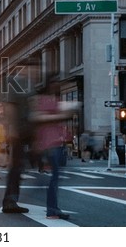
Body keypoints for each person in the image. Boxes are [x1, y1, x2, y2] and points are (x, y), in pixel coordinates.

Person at [29, 80, 79, 220]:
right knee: (54, 179)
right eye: (55, 85)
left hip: (56, 144)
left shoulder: (54, 101)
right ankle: (51, 210)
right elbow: (38, 118)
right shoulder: (43, 101)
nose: (58, 87)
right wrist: (61, 115)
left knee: (55, 178)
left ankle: (52, 208)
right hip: (49, 145)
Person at [1, 61, 37, 214]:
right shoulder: (16, 82)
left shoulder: (29, 84)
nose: (36, 71)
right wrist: (12, 129)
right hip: (19, 133)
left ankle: (11, 200)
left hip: (26, 132)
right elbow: (9, 106)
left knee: (19, 167)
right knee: (16, 168)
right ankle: (9, 201)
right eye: (34, 68)